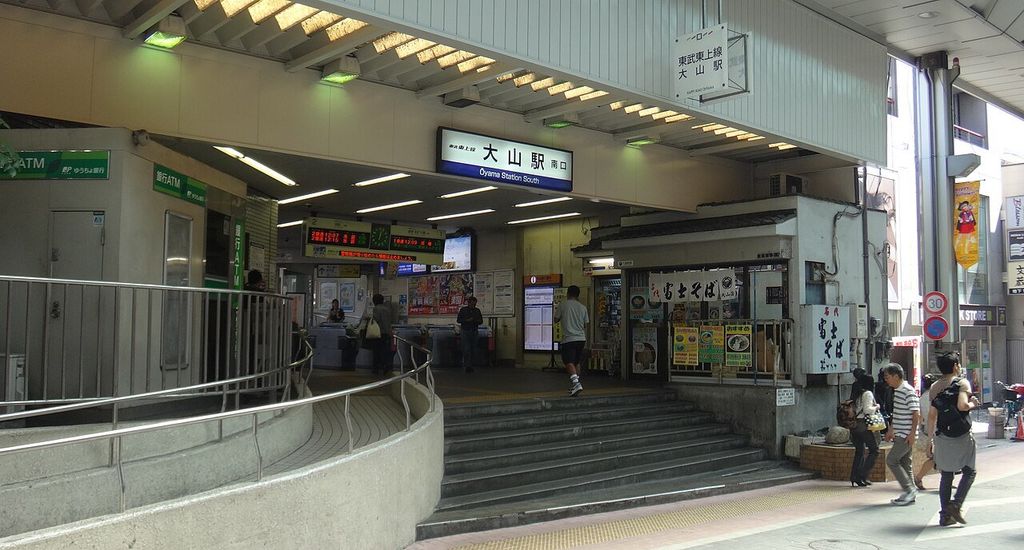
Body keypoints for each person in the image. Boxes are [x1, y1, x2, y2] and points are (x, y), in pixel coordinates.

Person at [928, 352, 980, 526]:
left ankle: (945, 516)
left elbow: (932, 415)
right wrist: (974, 404)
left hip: (943, 435)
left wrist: (930, 440)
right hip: (962, 435)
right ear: (955, 366)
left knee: (947, 475)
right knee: (970, 471)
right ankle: (956, 504)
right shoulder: (962, 383)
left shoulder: (935, 387)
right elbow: (962, 405)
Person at [883, 363, 920, 506]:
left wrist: (911, 433)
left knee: (892, 460)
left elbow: (915, 413)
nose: (886, 380)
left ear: (896, 376)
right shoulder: (898, 390)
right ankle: (911, 491)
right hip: (901, 433)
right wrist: (891, 430)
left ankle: (909, 490)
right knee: (905, 463)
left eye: (888, 377)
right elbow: (898, 414)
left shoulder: (907, 390)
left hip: (905, 435)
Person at [554, 285, 589, 397]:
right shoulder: (583, 307)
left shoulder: (563, 305)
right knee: (576, 362)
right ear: (578, 295)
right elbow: (585, 324)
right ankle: (575, 385)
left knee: (568, 362)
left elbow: (556, 319)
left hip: (569, 339)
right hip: (581, 338)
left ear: (568, 293)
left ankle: (576, 383)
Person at [849, 371, 880, 487]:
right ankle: (862, 475)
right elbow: (867, 410)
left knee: (859, 451)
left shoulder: (857, 393)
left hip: (854, 425)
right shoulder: (867, 393)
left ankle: (854, 476)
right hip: (863, 424)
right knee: (874, 450)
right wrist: (877, 407)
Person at [914, 373, 939, 490]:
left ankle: (947, 480)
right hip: (935, 430)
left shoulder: (923, 397)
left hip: (927, 429)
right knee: (937, 457)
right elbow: (933, 416)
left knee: (940, 457)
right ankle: (918, 477)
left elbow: (921, 417)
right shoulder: (935, 397)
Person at [456, 296, 483, 373]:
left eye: (475, 304)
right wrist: (467, 320)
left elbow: (481, 321)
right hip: (465, 331)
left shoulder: (477, 311)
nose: (473, 305)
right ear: (469, 303)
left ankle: (471, 364)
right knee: (467, 348)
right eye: (472, 304)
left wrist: (475, 321)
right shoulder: (463, 310)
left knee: (473, 349)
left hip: (474, 331)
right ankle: (467, 365)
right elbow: (458, 320)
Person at [368, 294, 393, 376]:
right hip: (387, 333)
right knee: (385, 350)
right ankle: (386, 366)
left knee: (376, 351)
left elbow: (376, 319)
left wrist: (369, 318)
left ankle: (375, 369)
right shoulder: (387, 309)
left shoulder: (376, 309)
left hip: (378, 333)